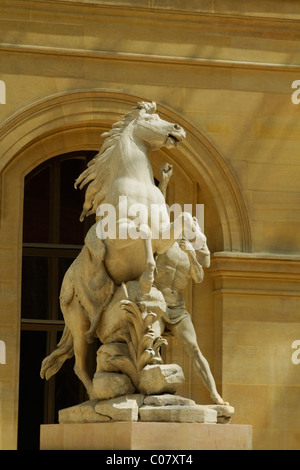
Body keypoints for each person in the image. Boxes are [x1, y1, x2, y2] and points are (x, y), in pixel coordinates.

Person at [154, 232, 227, 405]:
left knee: (194, 348)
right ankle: (149, 388)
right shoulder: (165, 243)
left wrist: (192, 254)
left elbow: (199, 277)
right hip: (159, 303)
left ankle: (215, 394)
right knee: (151, 342)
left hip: (178, 308)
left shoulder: (190, 252)